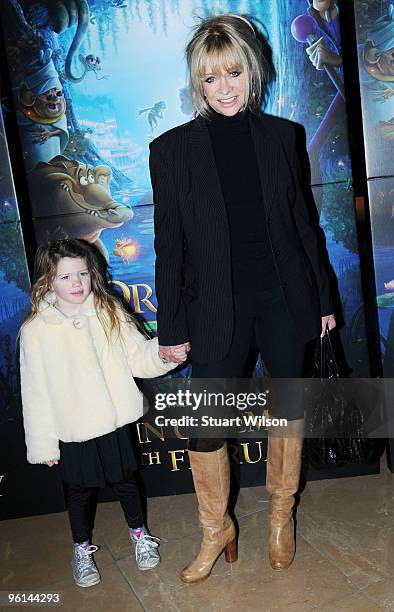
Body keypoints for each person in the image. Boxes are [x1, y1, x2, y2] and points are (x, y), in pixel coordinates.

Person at [149, 13, 336, 584]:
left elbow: (304, 227)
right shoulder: (172, 150)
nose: (224, 88)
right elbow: (170, 246)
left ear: (251, 72)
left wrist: (323, 298)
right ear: (196, 83)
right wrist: (171, 326)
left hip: (283, 300)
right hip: (213, 308)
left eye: (233, 72)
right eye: (211, 78)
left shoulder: (283, 136)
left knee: (287, 411)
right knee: (206, 426)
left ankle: (282, 517)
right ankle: (217, 529)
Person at [19, 239, 183, 587]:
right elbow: (35, 392)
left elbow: (138, 355)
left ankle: (140, 536)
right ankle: (80, 549)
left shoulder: (109, 310)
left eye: (82, 273)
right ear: (48, 281)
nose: (77, 283)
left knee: (127, 481)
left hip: (113, 421)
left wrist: (164, 355)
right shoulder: (35, 332)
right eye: (65, 277)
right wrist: (44, 445)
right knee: (78, 492)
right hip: (73, 429)